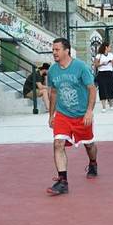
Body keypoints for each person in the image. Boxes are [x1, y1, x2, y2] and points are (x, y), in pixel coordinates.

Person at [47, 38, 98, 195]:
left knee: (89, 145)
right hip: (63, 114)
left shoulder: (80, 67)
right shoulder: (52, 70)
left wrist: (89, 111)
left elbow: (92, 89)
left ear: (66, 50)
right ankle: (63, 181)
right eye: (53, 50)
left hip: (81, 114)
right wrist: (51, 114)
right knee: (58, 143)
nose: (54, 52)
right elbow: (54, 92)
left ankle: (93, 163)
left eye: (57, 49)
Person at [94, 41, 113, 112]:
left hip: (109, 73)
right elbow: (96, 65)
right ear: (106, 47)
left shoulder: (111, 55)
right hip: (101, 73)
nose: (110, 48)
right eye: (109, 47)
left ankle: (111, 104)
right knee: (102, 89)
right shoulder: (99, 55)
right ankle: (103, 106)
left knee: (110, 88)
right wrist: (102, 64)